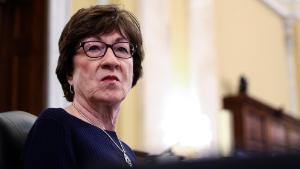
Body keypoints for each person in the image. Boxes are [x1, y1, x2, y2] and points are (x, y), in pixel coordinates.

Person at [22, 4, 144, 169]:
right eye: (94, 48)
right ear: (69, 72)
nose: (111, 61)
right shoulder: (56, 126)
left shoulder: (127, 151)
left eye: (121, 49)